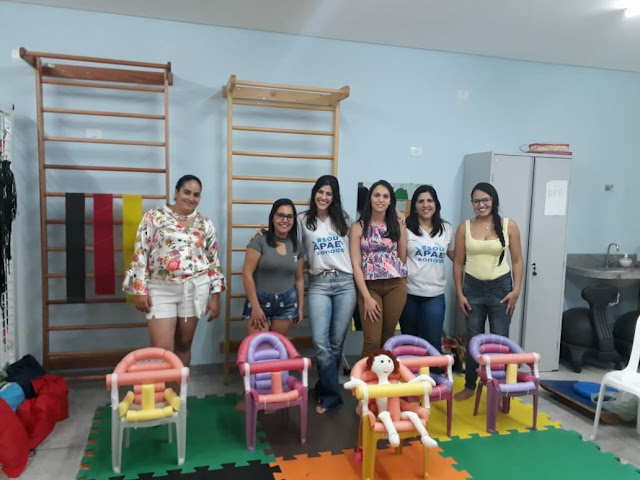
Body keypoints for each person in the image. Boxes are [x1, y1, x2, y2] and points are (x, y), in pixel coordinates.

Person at [123, 174, 226, 368]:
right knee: (161, 349)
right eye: (187, 192)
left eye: (196, 194)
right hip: (160, 288)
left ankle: (180, 388)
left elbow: (213, 261)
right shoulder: (154, 217)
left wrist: (215, 296)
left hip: (195, 288)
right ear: (176, 192)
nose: (191, 198)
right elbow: (140, 252)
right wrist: (139, 289)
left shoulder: (205, 224)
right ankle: (162, 389)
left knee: (184, 344)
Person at [452, 182, 523, 401]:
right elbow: (458, 263)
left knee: (500, 339)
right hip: (472, 288)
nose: (481, 204)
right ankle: (470, 385)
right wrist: (460, 293)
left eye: (485, 200)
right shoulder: (464, 228)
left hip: (501, 288)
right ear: (472, 203)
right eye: (476, 201)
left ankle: (501, 388)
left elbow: (517, 260)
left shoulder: (509, 226)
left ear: (493, 200)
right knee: (474, 338)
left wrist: (516, 290)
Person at [299, 175, 356, 414]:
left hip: (345, 283)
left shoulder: (344, 219)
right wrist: (262, 232)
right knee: (321, 343)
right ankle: (332, 395)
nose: (323, 197)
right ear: (314, 193)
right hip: (319, 284)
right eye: (320, 192)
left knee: (336, 343)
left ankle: (325, 390)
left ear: (334, 197)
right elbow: (284, 238)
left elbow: (360, 244)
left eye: (329, 193)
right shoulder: (302, 220)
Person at [349, 179, 407, 358]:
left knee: (387, 340)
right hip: (370, 288)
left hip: (395, 286)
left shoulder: (398, 224)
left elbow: (402, 257)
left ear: (390, 201)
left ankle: (385, 376)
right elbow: (356, 265)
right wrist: (366, 297)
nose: (380, 200)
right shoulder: (358, 227)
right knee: (372, 342)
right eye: (376, 195)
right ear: (370, 198)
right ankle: (362, 377)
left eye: (385, 196)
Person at [399, 185, 454, 352]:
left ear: (436, 204)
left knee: (433, 341)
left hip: (434, 295)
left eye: (429, 200)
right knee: (409, 343)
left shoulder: (446, 229)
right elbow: (399, 260)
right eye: (421, 201)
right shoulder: (405, 228)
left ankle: (434, 370)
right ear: (414, 206)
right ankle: (411, 370)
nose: (425, 205)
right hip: (408, 294)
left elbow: (456, 257)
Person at [242, 198, 305, 336]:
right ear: (272, 217)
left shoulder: (297, 245)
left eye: (289, 216)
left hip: (287, 303)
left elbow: (299, 279)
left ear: (294, 220)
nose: (285, 220)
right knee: (260, 347)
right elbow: (247, 274)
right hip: (259, 301)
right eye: (280, 215)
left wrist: (300, 308)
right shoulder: (259, 240)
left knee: (277, 347)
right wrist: (255, 308)